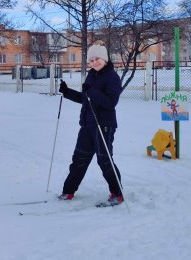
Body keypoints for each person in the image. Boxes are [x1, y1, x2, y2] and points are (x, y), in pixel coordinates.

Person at [58, 42, 124, 205]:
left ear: (105, 59)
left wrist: (92, 91)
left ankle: (117, 193)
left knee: (104, 160)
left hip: (104, 125)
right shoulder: (92, 75)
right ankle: (68, 191)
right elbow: (86, 99)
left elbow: (110, 103)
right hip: (87, 124)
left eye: (97, 59)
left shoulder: (112, 77)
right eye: (91, 60)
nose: (94, 62)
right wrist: (67, 92)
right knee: (79, 158)